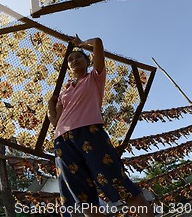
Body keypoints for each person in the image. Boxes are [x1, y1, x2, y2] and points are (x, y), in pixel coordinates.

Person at [47, 35, 155, 217]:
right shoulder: (65, 92)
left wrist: (81, 44)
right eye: (70, 60)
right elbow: (55, 121)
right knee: (81, 197)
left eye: (78, 57)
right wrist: (51, 105)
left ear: (88, 61)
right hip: (62, 141)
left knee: (116, 180)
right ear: (68, 67)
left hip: (90, 132)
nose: (74, 61)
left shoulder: (94, 78)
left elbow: (97, 42)